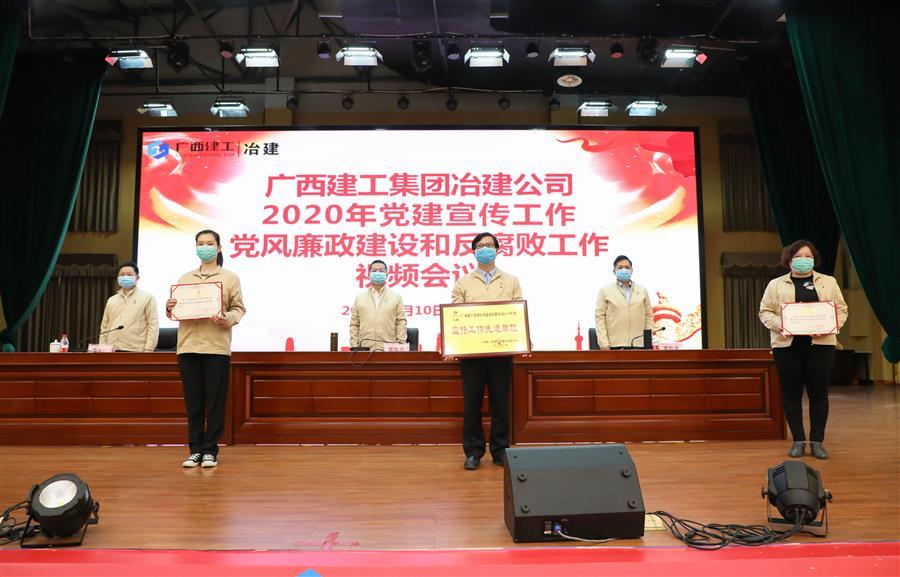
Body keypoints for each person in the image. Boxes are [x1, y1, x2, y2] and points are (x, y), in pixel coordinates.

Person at [759, 240, 848, 460]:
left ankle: (817, 442)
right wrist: (783, 325)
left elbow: (841, 309)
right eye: (798, 256)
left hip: (821, 345)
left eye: (808, 256)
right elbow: (765, 312)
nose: (803, 260)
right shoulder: (775, 285)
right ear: (789, 260)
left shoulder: (828, 282)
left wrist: (829, 326)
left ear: (814, 259)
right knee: (791, 393)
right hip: (787, 346)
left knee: (819, 394)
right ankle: (798, 441)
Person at [166, 230, 245, 469]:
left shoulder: (229, 277)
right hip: (188, 346)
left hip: (216, 347)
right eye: (200, 243)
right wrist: (170, 307)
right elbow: (175, 312)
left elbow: (239, 309)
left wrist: (226, 318)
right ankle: (195, 450)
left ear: (219, 248)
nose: (205, 247)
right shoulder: (185, 277)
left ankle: (210, 450)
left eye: (210, 243)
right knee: (194, 402)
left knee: (215, 401)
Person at [450, 232, 523, 470]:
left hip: (501, 352)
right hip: (472, 354)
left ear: (497, 250)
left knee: (500, 403)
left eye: (489, 245)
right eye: (480, 246)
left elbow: (517, 313)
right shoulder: (463, 282)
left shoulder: (511, 280)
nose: (485, 249)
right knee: (472, 404)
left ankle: (500, 451)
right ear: (474, 252)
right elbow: (455, 315)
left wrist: (521, 340)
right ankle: (473, 452)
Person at [594, 255, 653, 349]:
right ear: (614, 271)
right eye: (620, 267)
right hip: (614, 345)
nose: (624, 270)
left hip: (639, 344)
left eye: (627, 267)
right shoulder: (605, 290)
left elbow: (649, 316)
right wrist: (603, 343)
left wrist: (647, 342)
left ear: (632, 270)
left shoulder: (642, 290)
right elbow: (600, 318)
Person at [99, 261, 159, 351]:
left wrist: (149, 349)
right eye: (122, 275)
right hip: (111, 349)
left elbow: (153, 325)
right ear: (118, 278)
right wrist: (102, 347)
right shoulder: (112, 300)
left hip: (135, 349)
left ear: (137, 278)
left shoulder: (147, 298)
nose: (125, 277)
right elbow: (104, 325)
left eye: (129, 274)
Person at [349, 260, 407, 351]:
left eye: (381, 271)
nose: (378, 273)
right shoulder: (360, 298)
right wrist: (355, 346)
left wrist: (400, 344)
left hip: (388, 349)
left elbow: (400, 322)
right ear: (369, 275)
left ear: (387, 275)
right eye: (374, 270)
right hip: (364, 349)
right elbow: (354, 324)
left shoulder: (396, 297)